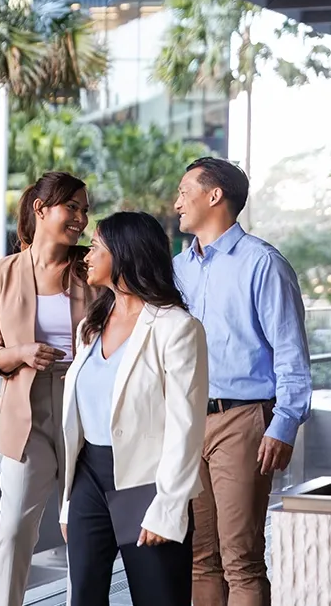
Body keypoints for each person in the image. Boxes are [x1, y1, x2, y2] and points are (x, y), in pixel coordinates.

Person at [173, 157, 312, 606]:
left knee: (242, 561)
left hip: (243, 420)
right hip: (188, 420)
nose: (176, 203)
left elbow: (291, 351)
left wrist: (284, 424)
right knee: (198, 558)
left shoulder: (263, 263)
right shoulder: (180, 269)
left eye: (184, 191)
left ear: (214, 196)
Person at [60, 212, 208, 606]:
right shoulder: (90, 326)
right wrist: (68, 503)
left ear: (125, 254)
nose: (86, 256)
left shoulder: (176, 328)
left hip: (146, 483)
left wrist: (168, 506)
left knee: (157, 596)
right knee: (83, 597)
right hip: (89, 478)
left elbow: (186, 427)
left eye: (95, 247)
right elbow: (78, 422)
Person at [0, 171, 98, 606]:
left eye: (85, 209)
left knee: (84, 526)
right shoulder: (1, 273)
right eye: (73, 207)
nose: (82, 218)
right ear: (41, 210)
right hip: (25, 411)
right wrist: (20, 353)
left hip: (86, 406)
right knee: (13, 528)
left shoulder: (92, 267)